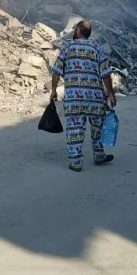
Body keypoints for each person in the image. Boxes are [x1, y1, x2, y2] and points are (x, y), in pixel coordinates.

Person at [50, 20, 117, 172]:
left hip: (74, 99)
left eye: (75, 30)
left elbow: (56, 71)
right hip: (95, 98)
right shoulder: (96, 47)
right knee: (97, 128)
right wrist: (111, 93)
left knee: (74, 130)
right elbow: (106, 74)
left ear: (78, 31)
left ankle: (76, 163)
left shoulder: (67, 47)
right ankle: (99, 156)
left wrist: (53, 90)